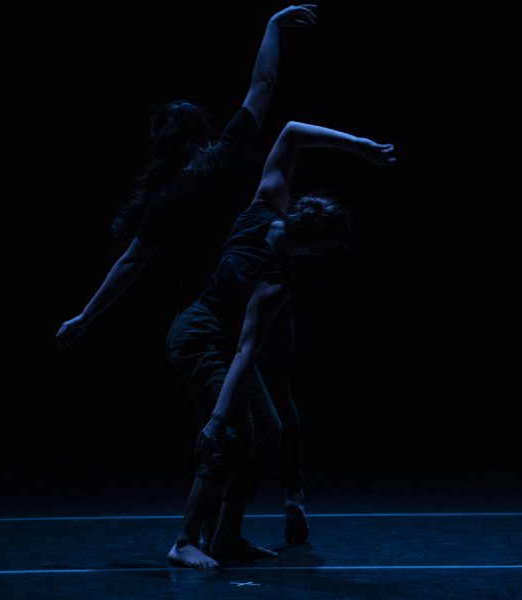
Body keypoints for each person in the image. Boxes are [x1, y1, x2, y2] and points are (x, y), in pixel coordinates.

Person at [55, 6, 318, 541]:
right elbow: (263, 83)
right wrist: (271, 25)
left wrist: (86, 316)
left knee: (245, 423)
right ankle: (201, 536)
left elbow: (131, 264)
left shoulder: (170, 195)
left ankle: (223, 536)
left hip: (216, 311)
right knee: (255, 419)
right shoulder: (232, 155)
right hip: (253, 303)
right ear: (201, 131)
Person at [166, 120, 396, 568]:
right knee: (230, 435)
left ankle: (226, 535)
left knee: (268, 429)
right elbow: (246, 350)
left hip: (209, 335)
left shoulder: (265, 203)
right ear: (312, 246)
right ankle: (185, 540)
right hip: (198, 336)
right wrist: (216, 418)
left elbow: (290, 133)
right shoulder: (275, 282)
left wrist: (359, 145)